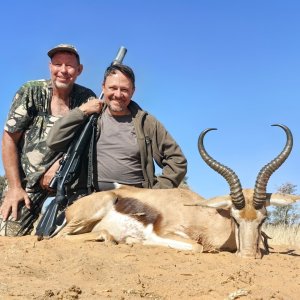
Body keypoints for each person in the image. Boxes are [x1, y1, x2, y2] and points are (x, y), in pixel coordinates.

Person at [0, 44, 97, 236]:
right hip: (26, 182)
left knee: (74, 235)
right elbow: (9, 139)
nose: (63, 70)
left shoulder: (87, 98)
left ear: (79, 70)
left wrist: (58, 166)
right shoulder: (30, 92)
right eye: (57, 64)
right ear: (50, 67)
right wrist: (14, 187)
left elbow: (86, 143)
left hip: (67, 181)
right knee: (8, 236)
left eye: (69, 66)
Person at [47, 63, 187, 193]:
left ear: (133, 91)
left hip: (136, 200)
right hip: (91, 197)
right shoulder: (89, 117)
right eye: (113, 88)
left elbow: (177, 160)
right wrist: (81, 111)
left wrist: (156, 192)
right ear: (103, 87)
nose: (118, 95)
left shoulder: (147, 123)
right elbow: (54, 141)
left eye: (124, 90)